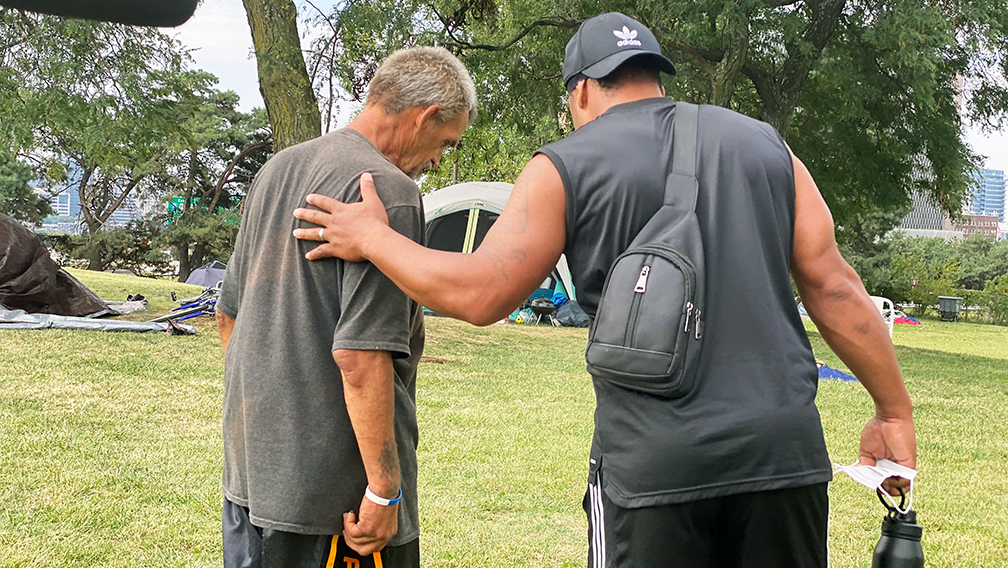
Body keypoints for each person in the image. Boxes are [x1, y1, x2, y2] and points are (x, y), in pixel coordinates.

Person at [292, 12, 916, 568]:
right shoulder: (771, 147)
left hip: (652, 469)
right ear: (654, 75)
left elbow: (480, 294)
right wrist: (893, 410)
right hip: (782, 462)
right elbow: (836, 290)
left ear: (582, 90)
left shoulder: (566, 164)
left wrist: (372, 237)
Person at [215, 46, 476, 568]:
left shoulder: (276, 170)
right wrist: (383, 489)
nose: (437, 161)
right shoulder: (390, 193)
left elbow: (229, 315)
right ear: (425, 117)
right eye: (444, 143)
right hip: (337, 506)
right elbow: (360, 355)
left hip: (250, 482)